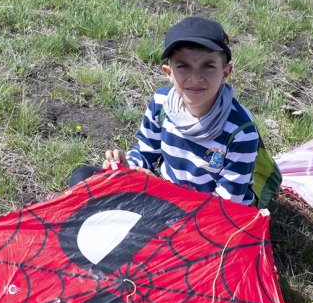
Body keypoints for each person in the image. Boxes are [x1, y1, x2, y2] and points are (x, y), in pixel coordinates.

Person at [69, 16, 259, 205]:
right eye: (183, 66)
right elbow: (146, 152)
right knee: (83, 176)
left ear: (225, 72)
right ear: (169, 73)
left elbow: (228, 204)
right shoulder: (161, 103)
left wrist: (161, 192)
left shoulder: (241, 130)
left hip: (208, 214)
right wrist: (128, 166)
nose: (195, 78)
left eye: (208, 66)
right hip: (163, 196)